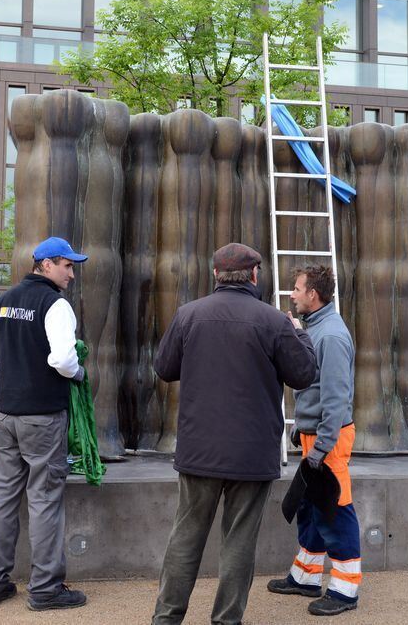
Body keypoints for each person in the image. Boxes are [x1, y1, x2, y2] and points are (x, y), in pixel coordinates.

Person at [151, 243, 318, 625]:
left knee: (186, 536)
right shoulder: (274, 321)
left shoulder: (188, 315)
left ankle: (166, 617)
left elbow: (164, 368)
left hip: (199, 449)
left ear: (215, 275)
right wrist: (300, 333)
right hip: (251, 453)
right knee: (239, 540)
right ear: (255, 275)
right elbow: (305, 375)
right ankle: (227, 620)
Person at [0, 237, 89, 611]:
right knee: (44, 501)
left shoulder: (2, 302)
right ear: (47, 264)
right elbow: (62, 358)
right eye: (67, 266)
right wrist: (79, 373)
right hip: (43, 418)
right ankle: (44, 589)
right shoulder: (56, 304)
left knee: (3, 498)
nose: (72, 274)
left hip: (7, 416)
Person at [268, 265, 361, 616]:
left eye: (297, 289)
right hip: (317, 436)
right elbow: (317, 391)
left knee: (335, 509)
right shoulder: (318, 328)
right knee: (311, 507)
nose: (292, 294)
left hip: (328, 440)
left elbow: (336, 399)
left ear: (313, 295)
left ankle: (345, 591)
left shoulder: (331, 337)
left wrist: (320, 446)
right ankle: (305, 576)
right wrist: (303, 431)